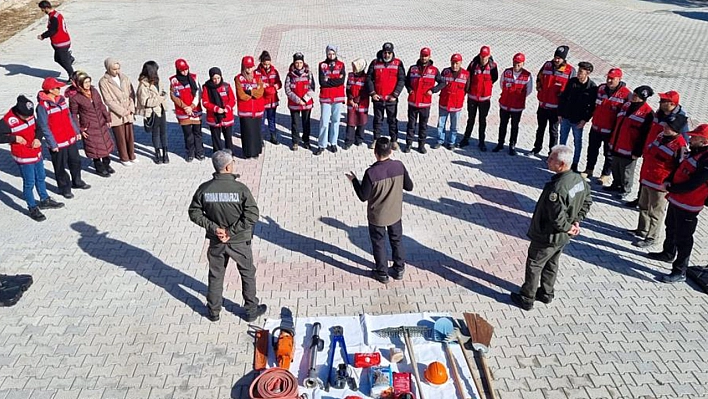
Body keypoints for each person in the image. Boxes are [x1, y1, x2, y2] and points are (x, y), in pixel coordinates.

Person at [510, 145, 592, 310]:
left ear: (561, 164)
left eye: (551, 159)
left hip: (548, 235)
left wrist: (569, 226)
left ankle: (527, 297)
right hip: (561, 237)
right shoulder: (579, 180)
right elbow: (587, 201)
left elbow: (556, 218)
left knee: (535, 264)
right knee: (552, 263)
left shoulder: (557, 189)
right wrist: (576, 221)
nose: (548, 161)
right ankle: (546, 293)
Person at [188, 150, 266, 322]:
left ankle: (213, 311)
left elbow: (194, 213)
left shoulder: (204, 189)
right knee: (247, 273)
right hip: (239, 241)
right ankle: (251, 309)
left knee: (216, 274)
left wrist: (215, 228)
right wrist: (231, 232)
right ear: (228, 166)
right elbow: (252, 215)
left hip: (216, 241)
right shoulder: (240, 189)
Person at [346, 137, 414, 283]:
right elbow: (409, 186)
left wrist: (354, 181)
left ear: (375, 153)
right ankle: (399, 268)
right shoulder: (399, 166)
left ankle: (382, 273)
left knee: (379, 243)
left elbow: (363, 196)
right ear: (390, 151)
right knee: (397, 241)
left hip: (377, 216)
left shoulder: (371, 173)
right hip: (395, 213)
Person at [648, 124, 708, 284]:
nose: (691, 138)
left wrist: (672, 187)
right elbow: (679, 168)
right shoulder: (694, 152)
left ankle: (679, 271)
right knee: (671, 227)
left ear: (704, 141)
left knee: (684, 238)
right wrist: (668, 180)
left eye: (694, 137)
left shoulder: (706, 159)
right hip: (677, 199)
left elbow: (694, 183)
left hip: (689, 205)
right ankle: (668, 253)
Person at [0, 95, 64, 221]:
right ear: (18, 112)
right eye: (26, 116)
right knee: (29, 182)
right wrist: (14, 138)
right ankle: (32, 207)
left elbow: (38, 128)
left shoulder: (29, 113)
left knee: (41, 177)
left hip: (35, 151)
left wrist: (38, 138)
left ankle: (44, 199)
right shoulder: (7, 121)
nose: (29, 118)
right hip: (23, 156)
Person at [625, 90, 690, 208]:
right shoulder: (659, 113)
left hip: (663, 158)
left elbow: (684, 142)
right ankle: (641, 199)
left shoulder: (678, 120)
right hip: (650, 151)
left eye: (664, 101)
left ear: (672, 104)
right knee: (644, 175)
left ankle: (657, 204)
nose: (660, 102)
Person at [631, 114, 687, 248]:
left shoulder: (680, 146)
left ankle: (652, 237)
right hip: (648, 178)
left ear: (677, 130)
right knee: (643, 206)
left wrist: (669, 184)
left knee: (655, 212)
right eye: (666, 125)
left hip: (660, 185)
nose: (665, 128)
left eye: (669, 127)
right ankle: (642, 230)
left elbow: (679, 168)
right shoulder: (661, 136)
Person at [36, 77, 89, 199]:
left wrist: (76, 131)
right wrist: (52, 143)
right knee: (60, 166)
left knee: (75, 161)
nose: (59, 90)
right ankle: (64, 188)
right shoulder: (42, 106)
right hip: (57, 143)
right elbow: (44, 126)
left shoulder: (61, 100)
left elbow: (69, 117)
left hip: (70, 138)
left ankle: (77, 181)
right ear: (50, 90)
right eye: (57, 88)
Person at [582, 68, 632, 185]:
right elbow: (593, 106)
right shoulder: (601, 89)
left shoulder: (626, 94)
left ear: (619, 79)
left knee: (608, 154)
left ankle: (605, 174)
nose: (609, 80)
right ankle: (589, 169)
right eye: (608, 77)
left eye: (612, 78)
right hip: (596, 127)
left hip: (611, 131)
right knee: (592, 150)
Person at [605, 86, 654, 199]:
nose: (632, 96)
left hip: (629, 148)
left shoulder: (647, 113)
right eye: (633, 94)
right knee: (615, 166)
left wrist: (637, 152)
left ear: (642, 98)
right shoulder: (626, 105)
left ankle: (625, 189)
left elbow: (644, 136)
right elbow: (617, 123)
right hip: (616, 144)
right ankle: (616, 184)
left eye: (636, 95)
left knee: (626, 171)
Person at [531, 46, 576, 157]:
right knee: (540, 128)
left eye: (559, 58)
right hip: (543, 105)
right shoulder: (547, 65)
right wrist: (539, 90)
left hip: (556, 108)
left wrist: (564, 103)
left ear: (564, 59)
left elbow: (571, 90)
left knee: (553, 131)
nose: (556, 60)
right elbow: (539, 78)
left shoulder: (570, 71)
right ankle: (536, 148)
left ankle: (551, 153)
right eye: (555, 57)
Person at [69, 72, 115, 177]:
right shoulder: (75, 97)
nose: (88, 84)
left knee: (106, 145)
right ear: (79, 83)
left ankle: (107, 164)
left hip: (101, 123)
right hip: (89, 126)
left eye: (89, 81)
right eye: (85, 82)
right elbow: (74, 114)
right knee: (95, 149)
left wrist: (107, 117)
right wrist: (79, 129)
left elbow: (101, 105)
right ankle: (99, 168)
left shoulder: (94, 91)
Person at [557, 61, 597, 172]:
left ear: (587, 73)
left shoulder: (592, 87)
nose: (578, 73)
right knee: (562, 140)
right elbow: (563, 97)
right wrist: (560, 113)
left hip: (578, 121)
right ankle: (560, 161)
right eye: (578, 71)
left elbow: (592, 107)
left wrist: (585, 120)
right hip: (566, 117)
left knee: (577, 143)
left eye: (581, 71)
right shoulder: (572, 82)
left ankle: (575, 164)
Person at [403, 47, 444, 154]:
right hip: (412, 102)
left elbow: (442, 83)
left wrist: (433, 90)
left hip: (425, 104)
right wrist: (409, 89)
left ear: (429, 56)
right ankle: (408, 144)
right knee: (411, 125)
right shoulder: (413, 68)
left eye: (426, 56)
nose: (424, 58)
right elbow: (406, 81)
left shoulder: (434, 70)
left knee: (423, 126)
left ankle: (421, 145)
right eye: (422, 55)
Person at [99, 57, 137, 166]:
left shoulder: (124, 77)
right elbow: (108, 100)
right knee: (120, 136)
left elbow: (131, 93)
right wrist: (122, 111)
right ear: (108, 69)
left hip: (128, 110)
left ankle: (132, 155)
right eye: (114, 69)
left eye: (118, 68)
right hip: (117, 113)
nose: (117, 71)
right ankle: (124, 157)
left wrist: (131, 106)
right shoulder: (104, 82)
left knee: (129, 134)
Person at [367, 42, 405, 150]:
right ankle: (375, 139)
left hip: (391, 99)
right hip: (378, 98)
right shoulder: (375, 63)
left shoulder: (398, 63)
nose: (387, 55)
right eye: (385, 52)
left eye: (389, 53)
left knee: (392, 120)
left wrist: (395, 94)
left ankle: (394, 140)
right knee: (377, 120)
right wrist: (373, 93)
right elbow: (369, 78)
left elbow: (402, 79)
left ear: (392, 53)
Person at [459, 46, 498, 151]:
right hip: (472, 97)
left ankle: (481, 142)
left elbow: (494, 78)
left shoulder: (493, 66)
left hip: (484, 99)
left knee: (482, 120)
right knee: (470, 119)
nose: (483, 58)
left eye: (485, 56)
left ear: (489, 56)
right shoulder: (473, 64)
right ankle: (466, 138)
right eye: (482, 56)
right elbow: (467, 77)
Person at [495, 53, 533, 156]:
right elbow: (502, 84)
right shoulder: (506, 72)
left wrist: (518, 98)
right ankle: (500, 143)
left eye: (519, 63)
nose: (516, 65)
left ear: (523, 63)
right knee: (503, 124)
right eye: (515, 62)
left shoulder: (527, 76)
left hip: (517, 106)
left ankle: (512, 145)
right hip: (505, 104)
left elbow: (529, 90)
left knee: (514, 126)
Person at [170, 58, 204, 162]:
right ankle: (190, 153)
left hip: (195, 110)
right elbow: (174, 96)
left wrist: (192, 106)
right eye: (182, 70)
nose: (185, 72)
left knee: (197, 133)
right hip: (183, 111)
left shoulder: (194, 77)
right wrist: (185, 107)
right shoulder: (174, 81)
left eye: (186, 69)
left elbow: (199, 92)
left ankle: (200, 152)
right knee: (188, 134)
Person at [136, 61, 169, 164]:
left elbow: (163, 91)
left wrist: (163, 95)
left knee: (163, 132)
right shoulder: (143, 86)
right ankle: (157, 153)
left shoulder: (157, 81)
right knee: (155, 134)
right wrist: (160, 98)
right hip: (153, 113)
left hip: (161, 110)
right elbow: (144, 101)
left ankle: (165, 152)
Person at [317, 45, 346, 155]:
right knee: (324, 121)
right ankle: (322, 144)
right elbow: (322, 82)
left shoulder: (341, 65)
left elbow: (341, 81)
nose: (331, 56)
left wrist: (329, 81)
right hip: (326, 97)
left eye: (333, 54)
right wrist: (334, 81)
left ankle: (333, 142)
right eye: (329, 53)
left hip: (338, 97)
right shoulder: (322, 65)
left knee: (335, 121)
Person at [436, 53, 470, 150]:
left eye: (457, 63)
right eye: (453, 63)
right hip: (444, 103)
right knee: (441, 124)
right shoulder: (445, 72)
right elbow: (440, 84)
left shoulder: (466, 74)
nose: (454, 66)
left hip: (456, 105)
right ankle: (440, 140)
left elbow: (467, 89)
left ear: (461, 63)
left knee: (454, 126)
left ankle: (451, 142)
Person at [235, 56, 265, 159]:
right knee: (247, 132)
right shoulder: (239, 78)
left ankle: (256, 152)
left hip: (257, 109)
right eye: (247, 67)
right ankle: (247, 153)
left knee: (256, 131)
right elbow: (241, 95)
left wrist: (250, 92)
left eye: (250, 67)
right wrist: (251, 93)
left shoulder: (258, 76)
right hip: (245, 110)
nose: (249, 69)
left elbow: (260, 92)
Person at [285, 52, 315, 151]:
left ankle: (306, 140)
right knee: (295, 123)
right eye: (297, 63)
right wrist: (298, 100)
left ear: (303, 62)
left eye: (300, 63)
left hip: (306, 104)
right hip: (294, 104)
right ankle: (295, 142)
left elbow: (312, 88)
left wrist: (304, 99)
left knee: (306, 123)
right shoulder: (290, 75)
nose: (299, 65)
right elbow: (288, 90)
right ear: (294, 63)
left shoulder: (308, 73)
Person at [202, 67, 236, 155]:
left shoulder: (226, 86)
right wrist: (216, 109)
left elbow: (232, 99)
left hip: (226, 116)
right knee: (216, 138)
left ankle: (230, 155)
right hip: (214, 117)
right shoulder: (207, 87)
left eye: (218, 78)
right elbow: (205, 102)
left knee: (228, 138)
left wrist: (227, 108)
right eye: (214, 78)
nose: (216, 80)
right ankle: (218, 155)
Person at [36, 1, 74, 77]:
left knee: (64, 62)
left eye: (42, 9)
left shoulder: (53, 17)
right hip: (61, 42)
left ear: (46, 8)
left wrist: (43, 36)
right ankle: (69, 57)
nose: (42, 11)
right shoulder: (56, 14)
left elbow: (52, 30)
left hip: (61, 43)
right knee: (57, 59)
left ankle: (72, 76)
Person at [256, 51, 282, 145]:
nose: (267, 66)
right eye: (265, 64)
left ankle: (273, 136)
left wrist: (276, 86)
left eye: (268, 64)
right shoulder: (257, 73)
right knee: (261, 120)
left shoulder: (274, 72)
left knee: (272, 119)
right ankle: (260, 138)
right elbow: (255, 85)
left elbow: (279, 83)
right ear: (261, 63)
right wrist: (262, 85)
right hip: (262, 101)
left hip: (272, 100)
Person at [344, 58, 369, 149]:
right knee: (351, 121)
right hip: (351, 102)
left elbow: (365, 91)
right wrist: (350, 99)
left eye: (355, 66)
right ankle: (348, 140)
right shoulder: (350, 75)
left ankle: (359, 139)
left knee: (361, 121)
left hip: (362, 102)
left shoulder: (366, 78)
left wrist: (357, 100)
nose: (353, 68)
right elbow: (347, 88)